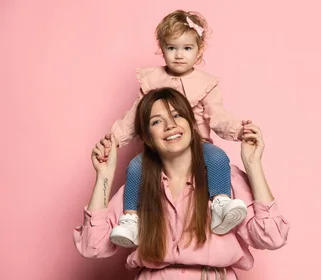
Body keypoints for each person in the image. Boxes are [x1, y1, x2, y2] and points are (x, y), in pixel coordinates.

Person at [75, 87, 290, 279]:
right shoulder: (139, 185)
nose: (170, 125)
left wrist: (253, 166)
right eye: (156, 121)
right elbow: (93, 246)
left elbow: (272, 236)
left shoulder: (224, 177)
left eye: (177, 115)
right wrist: (104, 176)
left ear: (191, 123)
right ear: (147, 136)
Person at [97, 10, 251, 248]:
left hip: (196, 146)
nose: (179, 55)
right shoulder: (151, 81)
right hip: (160, 149)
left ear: (199, 51)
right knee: (136, 166)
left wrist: (239, 129)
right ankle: (131, 219)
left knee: (218, 157)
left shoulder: (205, 85)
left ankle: (219, 202)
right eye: (172, 48)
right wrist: (114, 139)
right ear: (162, 48)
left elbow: (218, 116)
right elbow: (133, 117)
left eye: (187, 48)